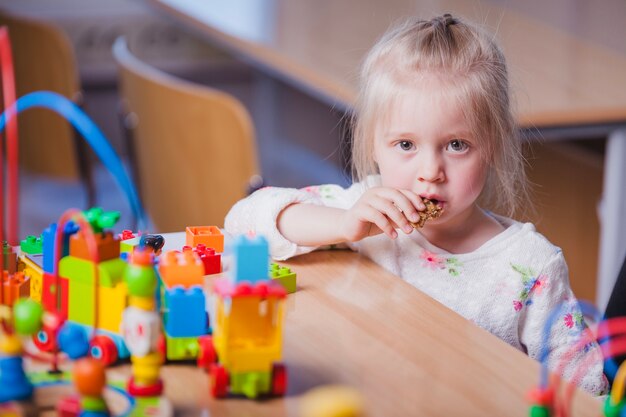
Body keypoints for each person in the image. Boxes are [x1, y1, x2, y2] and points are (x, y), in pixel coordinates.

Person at [225, 14, 607, 395]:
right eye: (405, 145)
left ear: (493, 144)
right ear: (374, 143)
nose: (430, 172)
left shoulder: (530, 267)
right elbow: (243, 222)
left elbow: (588, 392)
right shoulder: (363, 209)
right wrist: (342, 224)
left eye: (457, 145)